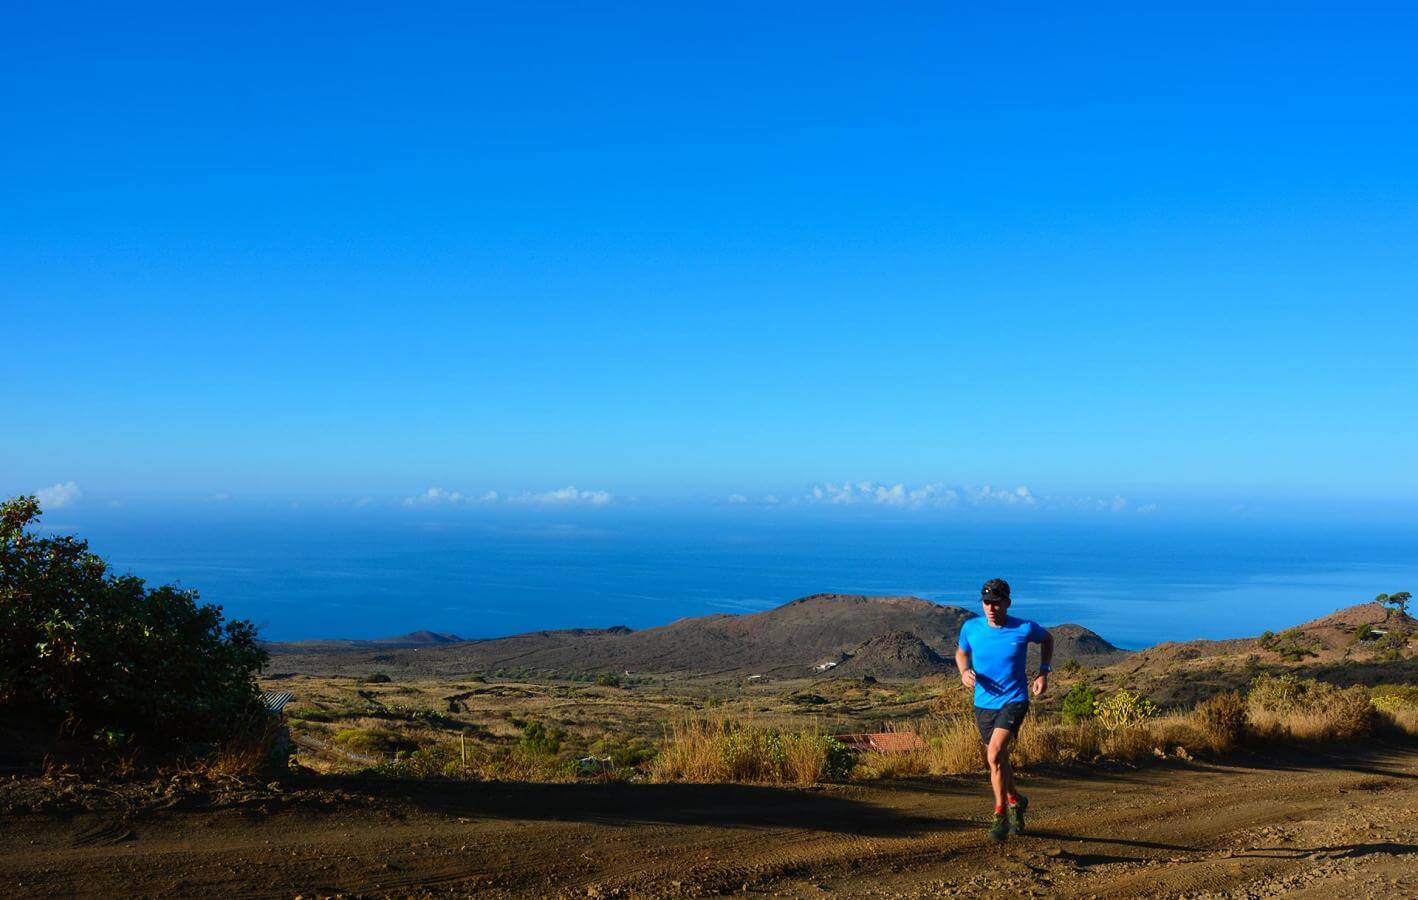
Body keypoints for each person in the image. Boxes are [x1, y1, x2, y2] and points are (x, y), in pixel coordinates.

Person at [954, 578, 1053, 841]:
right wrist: (964, 671)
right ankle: (1015, 800)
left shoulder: (1023, 628)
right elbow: (961, 653)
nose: (991, 607)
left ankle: (1000, 816)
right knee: (999, 759)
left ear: (1007, 603)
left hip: (1015, 700)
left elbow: (1048, 639)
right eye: (987, 602)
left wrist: (1043, 673)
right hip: (983, 703)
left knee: (994, 754)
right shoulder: (971, 627)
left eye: (997, 602)